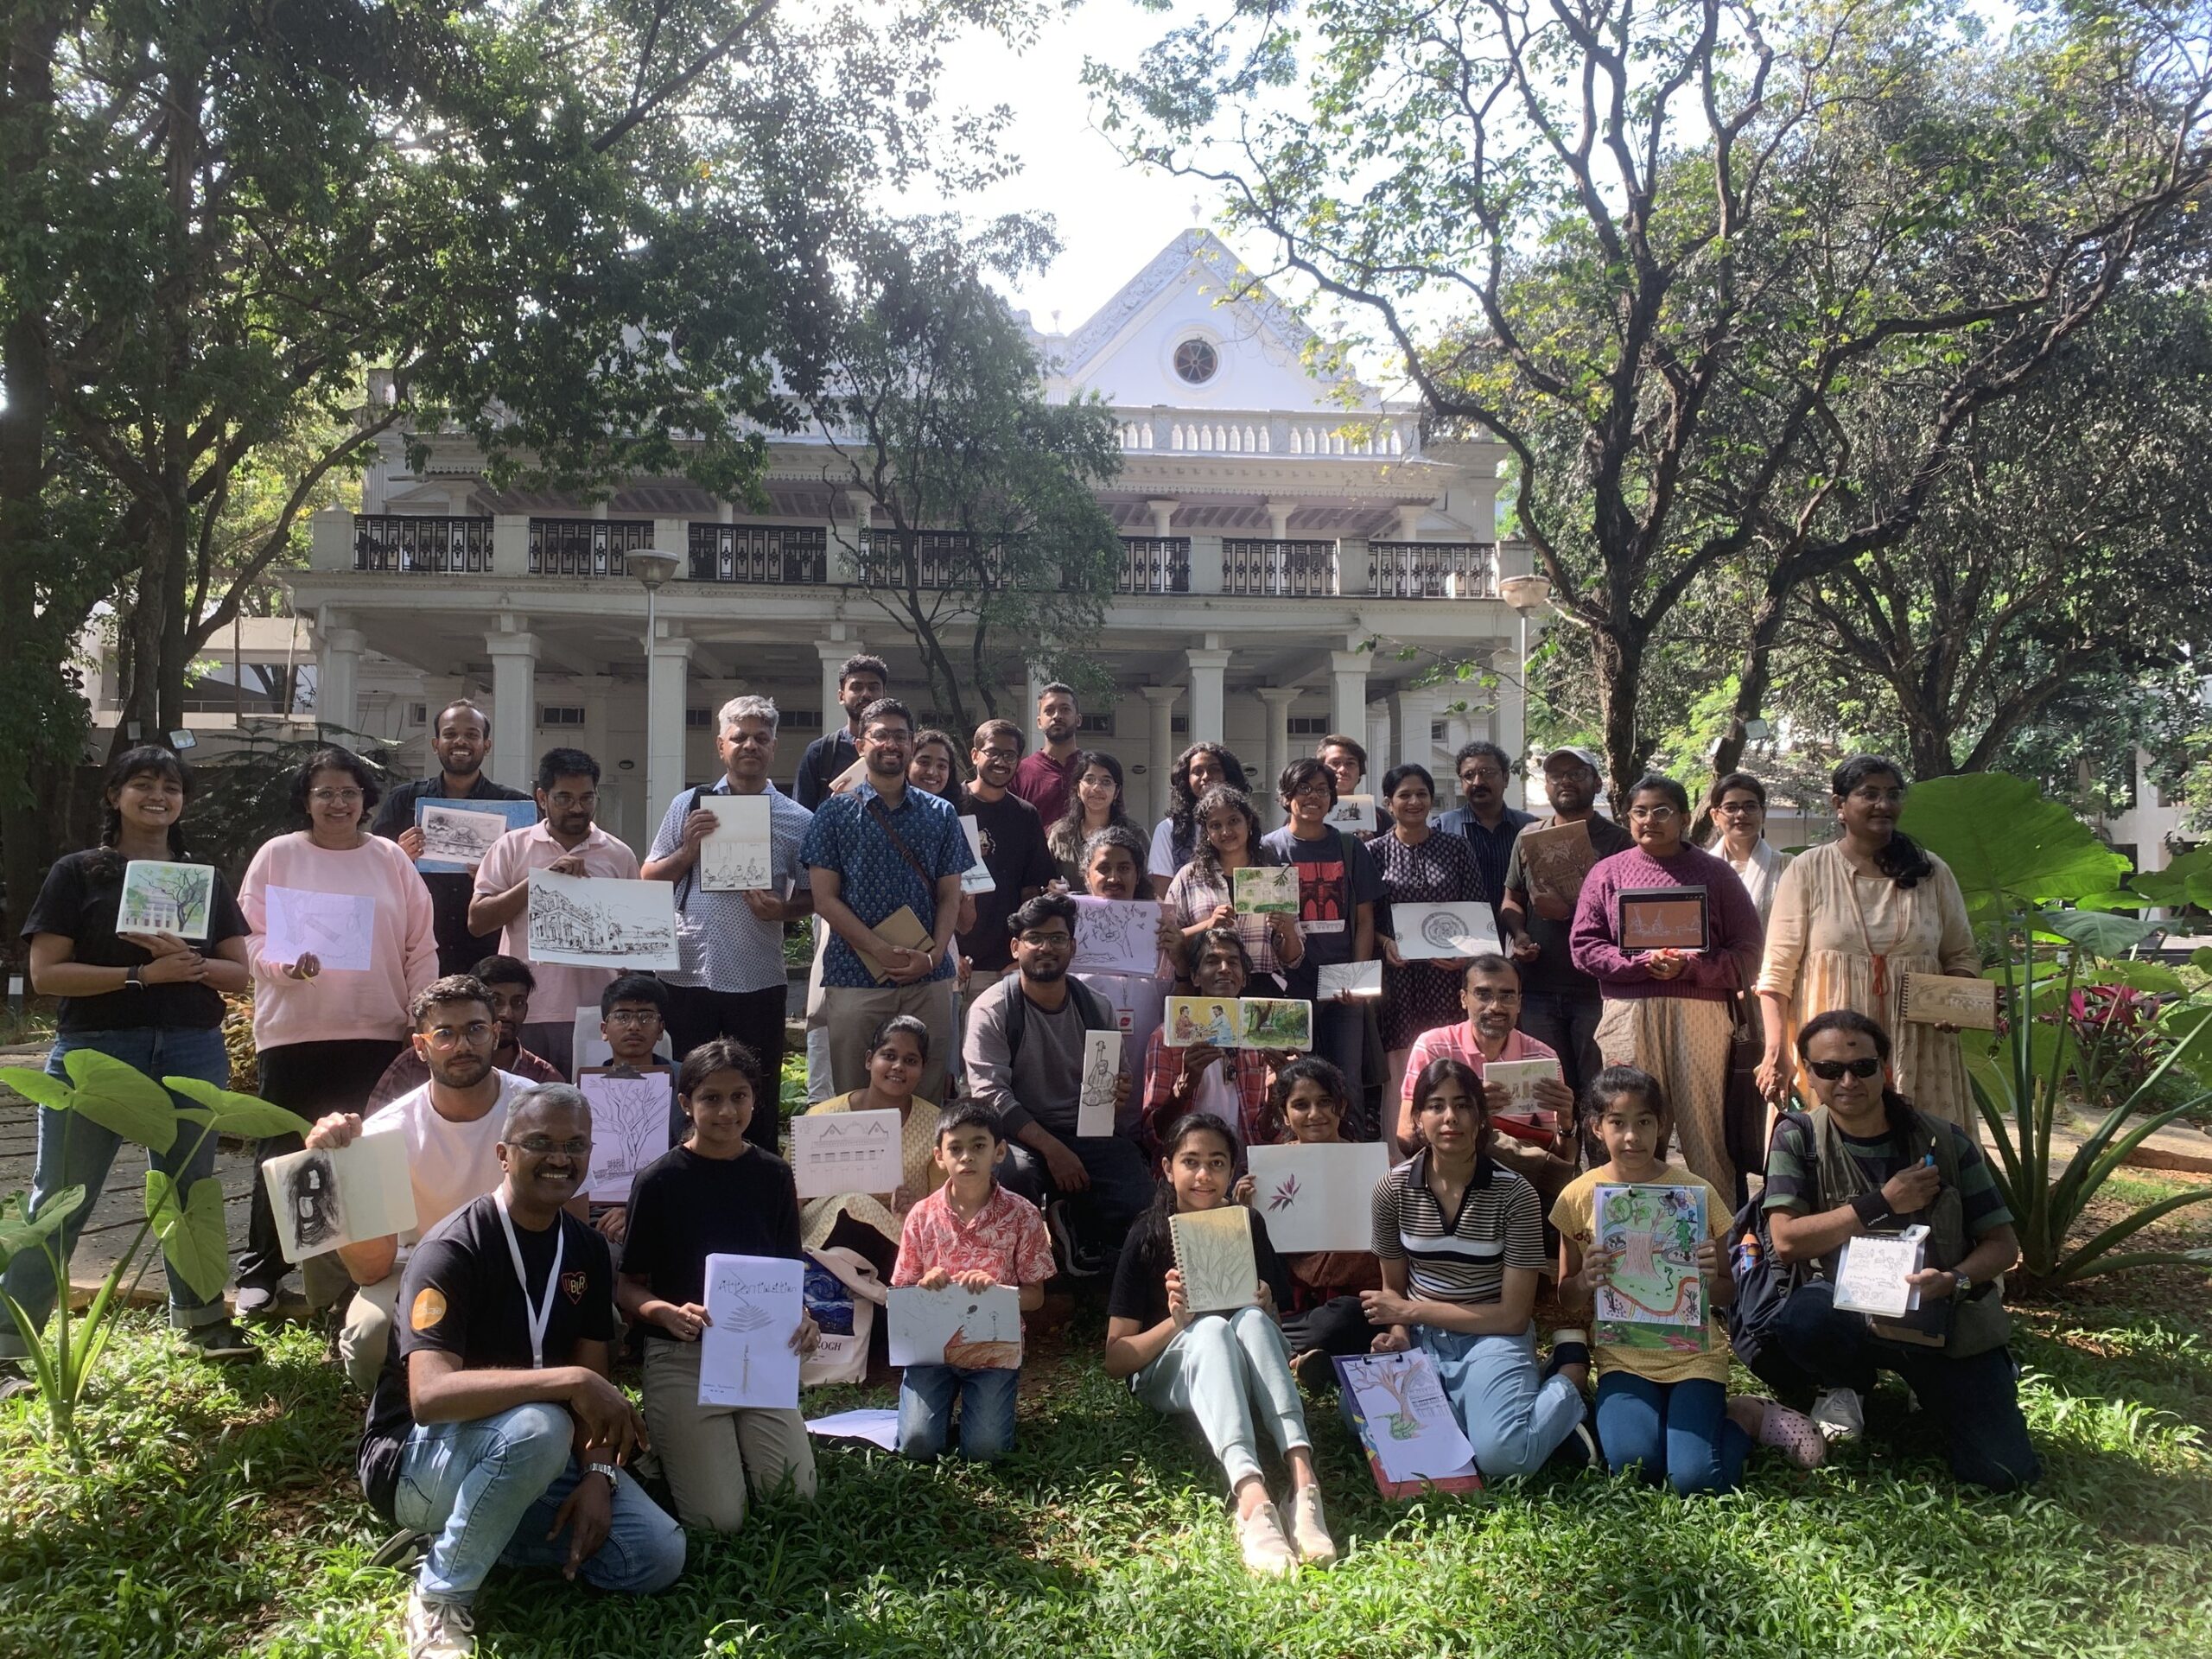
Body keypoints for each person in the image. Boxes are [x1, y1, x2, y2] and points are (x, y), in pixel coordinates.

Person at [356, 1084, 685, 1659]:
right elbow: (430, 1396)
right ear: (504, 1155)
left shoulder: (583, 1249)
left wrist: (599, 1478)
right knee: (543, 1423)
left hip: (529, 1451)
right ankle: (439, 1597)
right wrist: (570, 1385)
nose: (560, 1158)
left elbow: (589, 1372)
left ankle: (476, 1530)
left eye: (574, 1145)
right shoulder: (452, 1249)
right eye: (541, 1143)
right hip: (418, 1456)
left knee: (655, 1557)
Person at [2, 747, 259, 1393]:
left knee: (188, 1192)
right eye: (142, 785)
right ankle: (9, 1344)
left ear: (183, 802)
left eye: (171, 787)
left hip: (190, 1047)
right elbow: (46, 974)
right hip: (96, 1051)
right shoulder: (78, 873)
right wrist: (143, 975)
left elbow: (242, 972)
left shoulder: (202, 878)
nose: (158, 796)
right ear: (114, 795)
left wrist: (189, 965)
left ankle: (202, 1323)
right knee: (60, 1196)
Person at [1762, 1010, 2038, 1490]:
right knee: (1805, 1318)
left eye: (1862, 1067)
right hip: (1848, 1313)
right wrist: (1882, 1203)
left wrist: (1955, 1281)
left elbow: (2002, 1245)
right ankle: (1846, 1382)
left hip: (1939, 1318)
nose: (1847, 1081)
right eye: (1828, 1070)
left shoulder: (1946, 1142)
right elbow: (1785, 1241)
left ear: (1884, 1069)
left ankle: (1949, 1381)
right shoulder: (1798, 1136)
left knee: (2003, 1472)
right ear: (1808, 1074)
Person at [1550, 1066, 1824, 1493]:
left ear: (1662, 1125)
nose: (1631, 1136)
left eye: (1644, 1122)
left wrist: (1709, 1275)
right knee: (1634, 1469)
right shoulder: (1578, 1197)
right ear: (1595, 1127)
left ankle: (1746, 1417)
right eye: (1617, 1123)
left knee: (1696, 1481)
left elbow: (1726, 1292)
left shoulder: (1694, 1195)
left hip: (1693, 1355)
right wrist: (1585, 1280)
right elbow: (1566, 1298)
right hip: (1624, 1356)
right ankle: (1652, 1421)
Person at [237, 745, 437, 1318]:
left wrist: (419, 1016)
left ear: (366, 801)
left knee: (363, 1156)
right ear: (306, 800)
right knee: (283, 1152)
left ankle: (354, 1276)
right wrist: (285, 967)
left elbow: (420, 944)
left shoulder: (390, 860)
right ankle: (262, 1273)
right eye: (325, 792)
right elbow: (247, 938)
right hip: (294, 1029)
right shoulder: (278, 855)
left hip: (378, 1028)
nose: (338, 803)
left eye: (349, 792)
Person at [1104, 1112, 1337, 1577]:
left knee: (1249, 1318)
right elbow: (1116, 1359)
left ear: (1233, 1171)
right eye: (1190, 1161)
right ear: (1167, 1168)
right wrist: (1177, 1323)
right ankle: (1251, 1496)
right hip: (1172, 1371)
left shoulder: (1246, 1223)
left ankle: (1302, 1479)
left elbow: (1274, 1330)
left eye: (1217, 1162)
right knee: (1209, 1330)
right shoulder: (1146, 1234)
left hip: (1241, 1366)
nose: (1204, 1175)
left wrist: (1268, 1303)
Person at [302, 976, 549, 1389]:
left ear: (496, 1033)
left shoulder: (539, 1108)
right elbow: (371, 1269)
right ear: (420, 1046)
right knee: (368, 1339)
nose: (463, 1045)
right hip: (413, 1267)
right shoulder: (386, 1130)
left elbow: (572, 1221)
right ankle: (403, 1414)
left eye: (475, 1029)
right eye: (445, 1034)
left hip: (519, 1260)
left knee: (598, 1324)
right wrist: (332, 1167)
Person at [617, 1039, 821, 1531]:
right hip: (682, 1358)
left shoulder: (773, 1175)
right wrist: (662, 1312)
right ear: (686, 1103)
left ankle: (712, 1444)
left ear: (755, 1100)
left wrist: (804, 1319)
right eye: (711, 1098)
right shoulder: (659, 1181)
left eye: (740, 1097)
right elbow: (627, 1288)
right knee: (719, 1520)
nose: (727, 1111)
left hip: (758, 1355)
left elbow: (785, 1274)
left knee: (795, 1496)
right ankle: (664, 1451)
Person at [1363, 1058, 1592, 1478]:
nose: (1450, 1118)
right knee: (1370, 1419)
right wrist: (1396, 1334)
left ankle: (1569, 1376)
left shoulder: (1515, 1194)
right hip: (1424, 1340)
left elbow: (1512, 1316)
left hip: (1491, 1336)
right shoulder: (1391, 1189)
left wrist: (1409, 1314)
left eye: (1463, 1105)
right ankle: (1493, 1409)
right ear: (1418, 1119)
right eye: (1435, 1105)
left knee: (1503, 1458)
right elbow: (1393, 1289)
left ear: (1481, 1117)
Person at [1756, 756, 1980, 1127]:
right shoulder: (1808, 869)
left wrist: (1953, 1002)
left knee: (1924, 1150)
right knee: (1830, 1154)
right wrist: (1776, 1051)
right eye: (1869, 794)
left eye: (1893, 795)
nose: (1884, 804)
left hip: (1920, 1047)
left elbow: (1961, 954)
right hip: (1834, 1050)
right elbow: (1776, 970)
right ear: (1839, 805)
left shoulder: (1931, 871)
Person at [1569, 774, 1762, 1202]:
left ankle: (1722, 1247)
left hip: (1702, 1016)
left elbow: (1749, 953)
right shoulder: (1608, 873)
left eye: (1661, 811)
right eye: (1640, 812)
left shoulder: (1717, 875)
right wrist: (1637, 964)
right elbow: (1583, 947)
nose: (1649, 820)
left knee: (1705, 1128)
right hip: (1629, 1013)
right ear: (1627, 817)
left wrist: (1693, 966)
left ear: (1684, 817)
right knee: (1629, 1123)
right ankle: (1628, 1232)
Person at [641, 694, 813, 1147]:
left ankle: (755, 1183)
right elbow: (649, 876)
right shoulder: (689, 804)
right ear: (721, 745)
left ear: (774, 747)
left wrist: (784, 909)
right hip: (686, 970)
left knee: (755, 1089)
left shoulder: (798, 819)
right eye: (740, 737)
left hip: (756, 973)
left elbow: (818, 895)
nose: (750, 745)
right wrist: (688, 851)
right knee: (687, 1085)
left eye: (761, 737)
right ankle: (684, 1176)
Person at [802, 696, 971, 1102]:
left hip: (928, 977)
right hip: (855, 977)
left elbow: (950, 896)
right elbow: (824, 900)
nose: (891, 743)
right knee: (855, 1095)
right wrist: (881, 951)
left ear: (912, 745)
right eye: (881, 735)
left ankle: (921, 1167)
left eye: (900, 736)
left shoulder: (942, 813)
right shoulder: (834, 814)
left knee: (926, 1095)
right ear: (861, 744)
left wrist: (932, 958)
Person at [965, 893, 1146, 1272]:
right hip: (1018, 1133)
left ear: (1073, 947)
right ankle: (1021, 1270)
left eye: (1058, 938)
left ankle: (1080, 1229)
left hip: (1085, 1130)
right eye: (1035, 938)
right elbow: (990, 1097)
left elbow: (1116, 1077)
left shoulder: (1097, 1007)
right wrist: (1054, 1150)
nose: (1046, 947)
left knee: (1137, 1189)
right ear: (1016, 947)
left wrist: (1118, 1092)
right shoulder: (993, 1009)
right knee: (1014, 1173)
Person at [890, 1101, 1057, 1461]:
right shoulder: (921, 1216)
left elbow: (1036, 1297)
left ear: (999, 1151)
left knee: (985, 1452)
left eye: (979, 1146)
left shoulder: (1022, 1214)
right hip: (932, 1350)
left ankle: (975, 1414)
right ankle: (931, 1413)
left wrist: (998, 1291)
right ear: (939, 1157)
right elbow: (900, 1293)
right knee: (917, 1446)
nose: (967, 1157)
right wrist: (924, 1283)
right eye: (956, 1148)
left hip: (992, 1349)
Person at [467, 748, 641, 1078]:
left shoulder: (619, 855)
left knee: (585, 1114)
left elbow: (633, 945)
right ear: (542, 797)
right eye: (564, 798)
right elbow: (478, 921)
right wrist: (541, 882)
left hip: (595, 1014)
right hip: (524, 1012)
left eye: (586, 798)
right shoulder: (510, 847)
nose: (577, 808)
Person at [1230, 1058, 1382, 1389]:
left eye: (1325, 1102)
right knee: (1255, 1318)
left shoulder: (1371, 1165)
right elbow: (1254, 1262)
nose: (1315, 1114)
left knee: (1352, 1316)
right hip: (1289, 1304)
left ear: (1341, 1107)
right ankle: (1310, 1354)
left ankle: (1291, 1352)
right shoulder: (1269, 1171)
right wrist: (1244, 1211)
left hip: (1349, 1300)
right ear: (1284, 1115)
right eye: (1301, 1105)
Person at [1498, 746, 1633, 1102]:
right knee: (1549, 1090)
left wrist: (1571, 914)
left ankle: (1600, 1158)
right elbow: (1511, 899)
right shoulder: (1529, 836)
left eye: (1576, 773)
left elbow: (1631, 917)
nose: (1565, 781)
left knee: (1599, 1091)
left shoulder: (1620, 841)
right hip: (1539, 987)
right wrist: (1520, 935)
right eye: (1556, 775)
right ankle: (1559, 1158)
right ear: (1546, 786)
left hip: (1595, 991)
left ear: (1597, 781)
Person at [1396, 957, 1579, 1209]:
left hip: (1516, 1182)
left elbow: (1555, 1161)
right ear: (1463, 998)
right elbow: (1406, 1136)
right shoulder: (1434, 1047)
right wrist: (1470, 1111)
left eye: (1507, 996)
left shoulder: (1542, 1056)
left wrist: (1567, 1123)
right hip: (1448, 1173)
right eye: (1483, 994)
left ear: (1519, 1003)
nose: (1495, 1007)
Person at [1260, 758, 1381, 1134]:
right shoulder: (1268, 849)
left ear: (1333, 799)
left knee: (1347, 1086)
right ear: (1286, 797)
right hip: (1290, 987)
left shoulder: (1350, 848)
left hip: (1342, 983)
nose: (1313, 797)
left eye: (1322, 790)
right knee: (1295, 1084)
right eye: (1303, 789)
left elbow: (1364, 920)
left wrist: (1358, 978)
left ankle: (1356, 1164)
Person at [371, 700, 533, 976]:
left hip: (491, 951)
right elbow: (370, 870)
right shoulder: (405, 800)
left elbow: (534, 876)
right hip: (419, 948)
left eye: (471, 734)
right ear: (435, 744)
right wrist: (398, 856)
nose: (461, 741)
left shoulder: (515, 805)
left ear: (486, 745)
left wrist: (499, 870)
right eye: (450, 734)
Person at [1367, 762, 1486, 1103]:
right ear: (1389, 802)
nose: (1414, 801)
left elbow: (1477, 908)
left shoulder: (1457, 849)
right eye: (1404, 795)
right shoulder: (1374, 853)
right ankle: (1401, 1146)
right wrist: (1385, 942)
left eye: (1422, 794)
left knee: (1450, 1057)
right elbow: (1365, 918)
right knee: (1402, 1065)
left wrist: (1465, 954)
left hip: (1447, 975)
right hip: (1398, 978)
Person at [799, 1014, 943, 1278]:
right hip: (825, 1238)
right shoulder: (822, 1118)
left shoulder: (936, 1126)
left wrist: (914, 1206)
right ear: (869, 1060)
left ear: (923, 1069)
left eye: (910, 1061)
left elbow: (943, 1206)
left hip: (896, 1243)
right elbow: (794, 1197)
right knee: (852, 1203)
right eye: (889, 1056)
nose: (898, 1066)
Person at [1139, 927, 1285, 1151]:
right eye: (1212, 961)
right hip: (1190, 1172)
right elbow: (1152, 1136)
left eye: (1233, 962)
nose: (1224, 969)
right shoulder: (1167, 1039)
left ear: (1244, 979)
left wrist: (1277, 1093)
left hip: (1246, 1175)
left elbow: (1265, 1135)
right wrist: (1184, 1086)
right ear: (1195, 977)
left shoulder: (1258, 1041)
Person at [368, 954, 563, 1112]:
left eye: (518, 1002)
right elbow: (375, 1134)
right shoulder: (411, 1065)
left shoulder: (542, 1079)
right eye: (496, 1000)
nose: (507, 1013)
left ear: (494, 1034)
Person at [957, 719, 1056, 1014]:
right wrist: (947, 952)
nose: (1001, 761)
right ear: (975, 755)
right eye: (992, 752)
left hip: (1003, 965)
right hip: (952, 961)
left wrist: (1022, 953)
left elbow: (1031, 890)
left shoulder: (1025, 815)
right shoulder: (948, 806)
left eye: (1010, 755)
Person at [1165, 785, 1303, 987]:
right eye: (1215, 825)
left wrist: (1288, 931)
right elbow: (1169, 939)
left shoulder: (1274, 877)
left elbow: (1293, 959)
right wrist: (1208, 925)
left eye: (1234, 821)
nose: (1226, 831)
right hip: (1208, 991)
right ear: (1206, 832)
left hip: (1262, 990)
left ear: (1248, 822)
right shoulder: (1189, 877)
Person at [1070, 823, 1184, 1066]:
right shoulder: (1067, 929)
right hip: (1085, 1062)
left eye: (1124, 868)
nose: (1114, 878)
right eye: (1103, 868)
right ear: (1086, 874)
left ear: (1137, 874)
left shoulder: (1160, 927)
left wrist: (1180, 959)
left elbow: (1177, 1007)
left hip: (1150, 1064)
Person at [1436, 741, 1534, 934]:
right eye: (1469, 776)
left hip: (1520, 939)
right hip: (1463, 940)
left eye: (1487, 773)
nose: (1478, 782)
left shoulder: (1530, 829)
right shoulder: (1442, 828)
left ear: (1505, 778)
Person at [793, 652, 887, 810]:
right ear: (841, 696)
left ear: (885, 694)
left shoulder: (900, 751)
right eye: (857, 687)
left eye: (873, 687)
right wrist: (831, 811)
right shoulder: (820, 753)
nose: (866, 694)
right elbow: (802, 818)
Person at [1149, 742, 1249, 881]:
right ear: (1187, 780)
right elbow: (1162, 895)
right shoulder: (1168, 830)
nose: (1206, 776)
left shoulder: (1245, 824)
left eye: (1214, 769)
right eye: (1197, 771)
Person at [1706, 771, 1792, 930]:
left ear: (1763, 813)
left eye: (1750, 807)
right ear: (1715, 816)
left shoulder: (1787, 867)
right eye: (1730, 808)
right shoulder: (1700, 869)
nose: (1741, 814)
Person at [1047, 750, 1135, 887]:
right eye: (1089, 780)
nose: (1096, 788)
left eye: (1106, 782)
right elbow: (1045, 880)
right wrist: (1051, 886)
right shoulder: (1061, 834)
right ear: (1077, 787)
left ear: (1116, 792)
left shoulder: (1134, 835)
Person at [1011, 681, 1084, 824]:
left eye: (1065, 709)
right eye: (1049, 710)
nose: (1057, 716)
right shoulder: (1019, 772)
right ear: (1039, 722)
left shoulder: (1095, 769)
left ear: (1078, 720)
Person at [908, 728, 964, 805]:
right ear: (908, 764)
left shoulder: (961, 811)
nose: (932, 772)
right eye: (924, 762)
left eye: (941, 766)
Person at [1315, 734, 1368, 805]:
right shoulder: (1309, 813)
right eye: (1335, 763)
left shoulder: (1377, 815)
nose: (1343, 770)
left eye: (1350, 763)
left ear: (1360, 771)